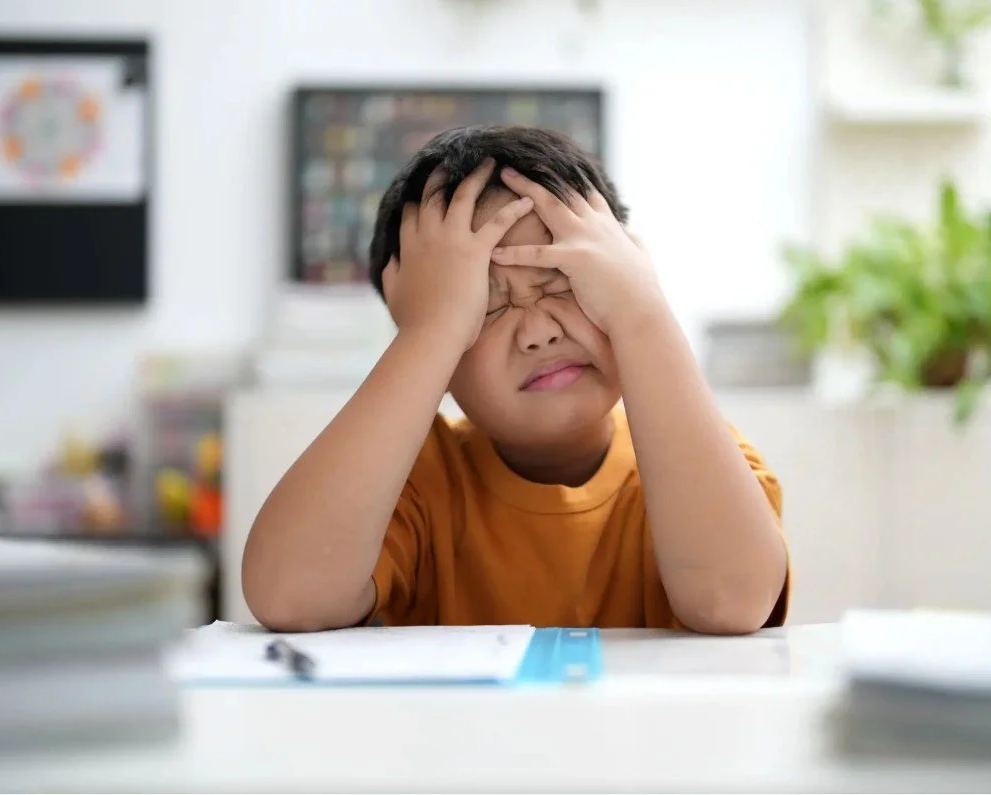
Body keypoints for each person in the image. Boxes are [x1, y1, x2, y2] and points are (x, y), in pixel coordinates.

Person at [243, 126, 789, 634]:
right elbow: (291, 597)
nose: (537, 331)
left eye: (561, 283)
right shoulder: (409, 481)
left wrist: (642, 315)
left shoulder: (703, 460)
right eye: (481, 308)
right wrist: (431, 328)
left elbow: (729, 602)